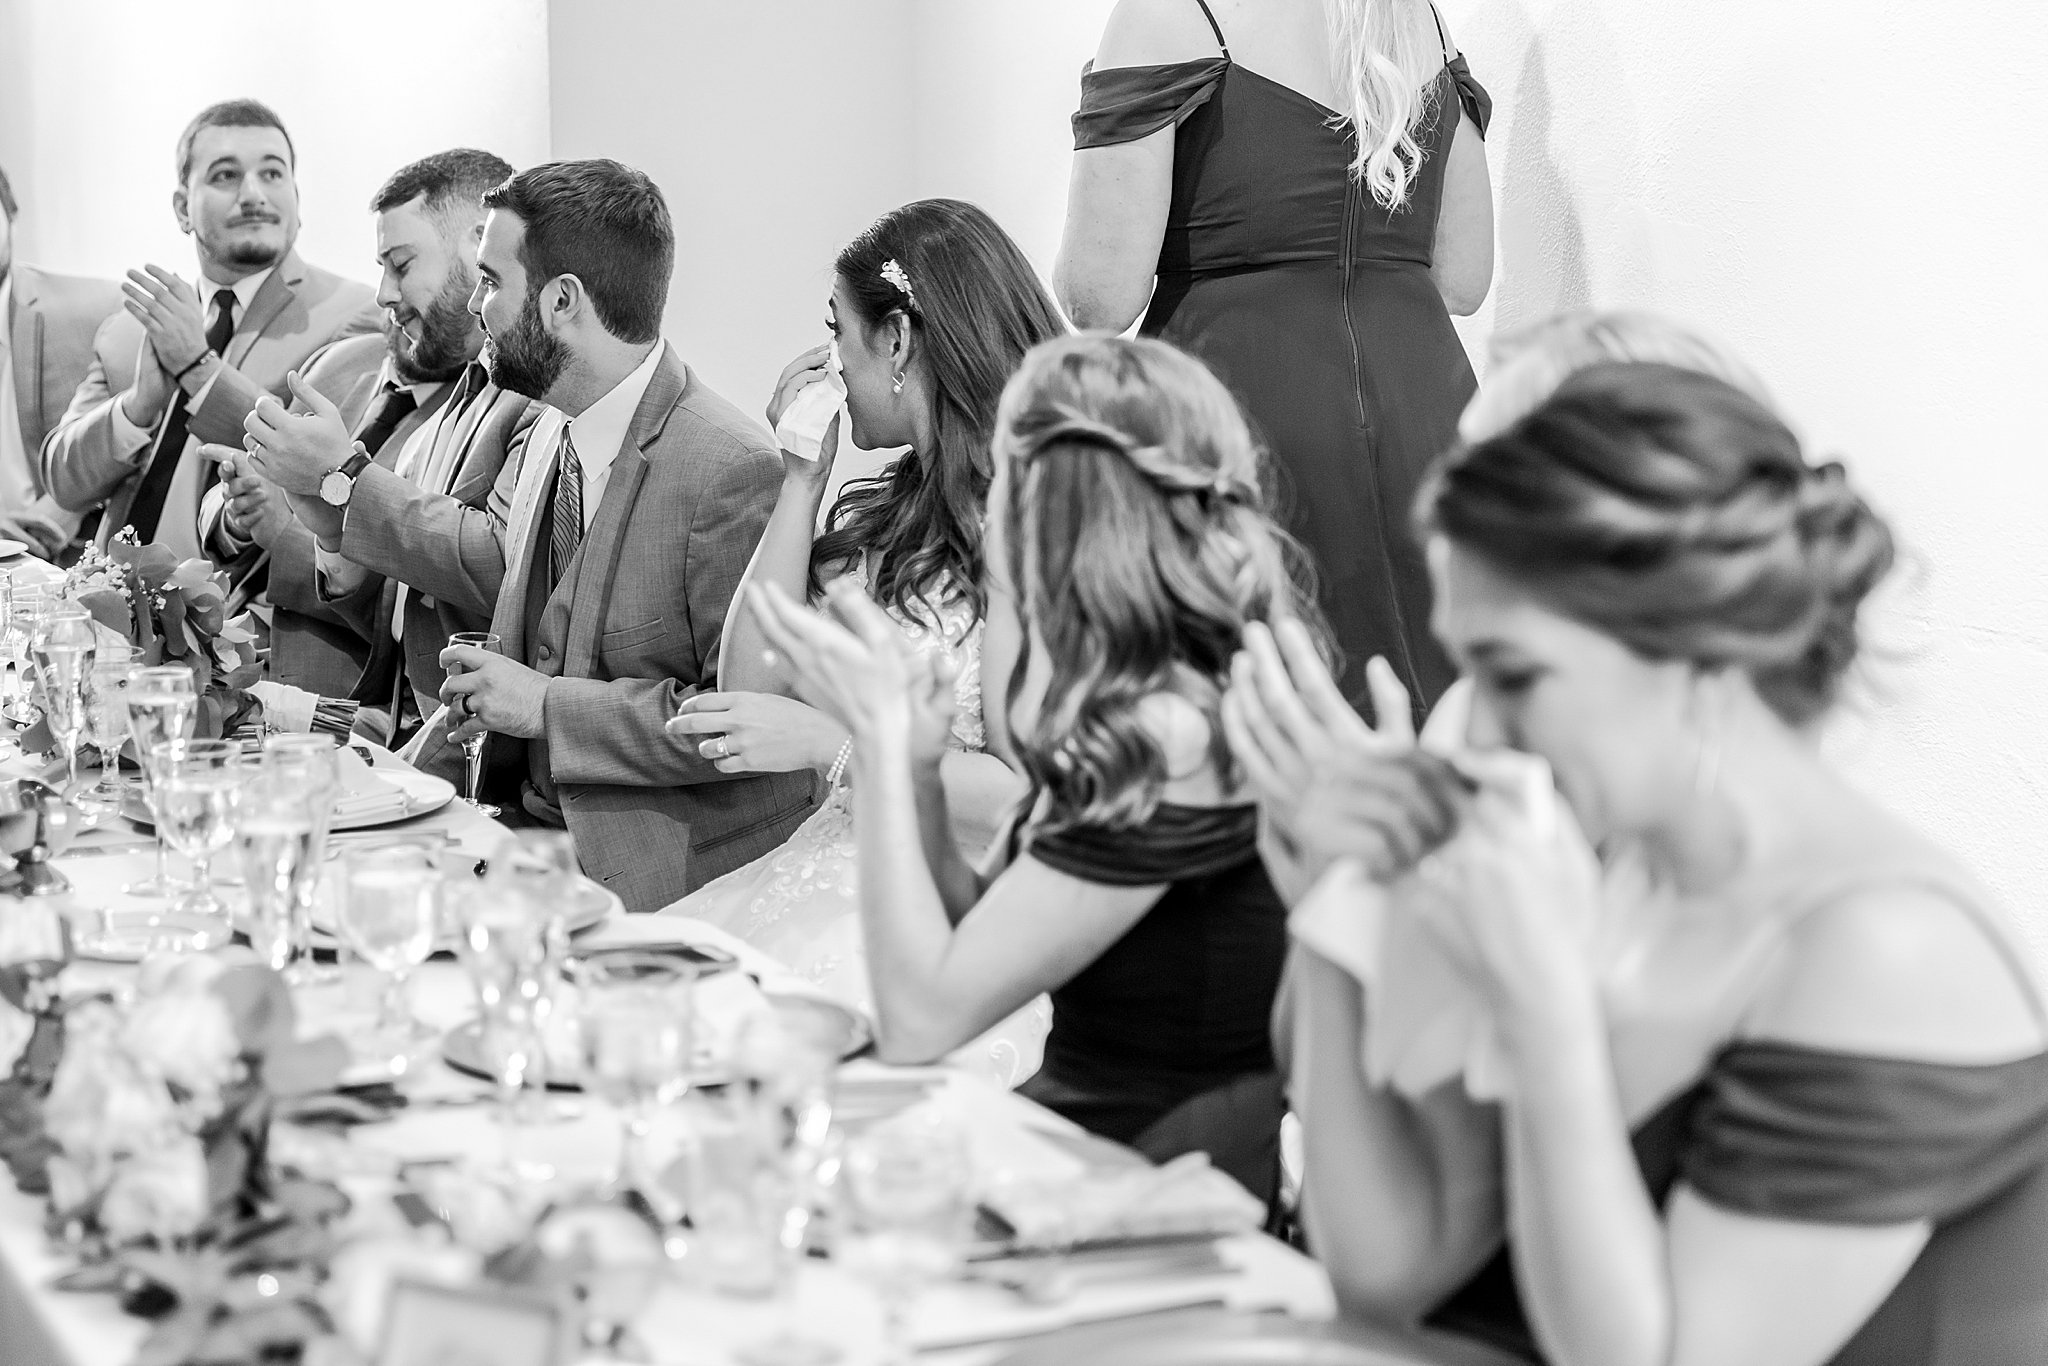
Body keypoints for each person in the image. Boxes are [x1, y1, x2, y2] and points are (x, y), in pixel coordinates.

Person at [1233, 364, 2048, 1363]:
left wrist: (1545, 1010)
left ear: (1696, 651)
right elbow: (1387, 1263)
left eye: (1515, 674)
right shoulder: (1608, 877)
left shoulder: (1882, 950)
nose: (1476, 726)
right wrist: (1337, 897)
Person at [747, 334, 1320, 1201]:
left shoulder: (1168, 743)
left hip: (1136, 1200)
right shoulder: (1150, 698)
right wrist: (917, 772)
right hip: (1080, 1153)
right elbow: (984, 930)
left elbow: (921, 1020)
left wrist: (875, 739)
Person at [661, 200, 1062, 1048]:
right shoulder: (897, 510)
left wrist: (833, 749)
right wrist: (800, 481)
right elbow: (746, 686)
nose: (828, 363)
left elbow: (1027, 804)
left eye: (837, 331)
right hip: (822, 876)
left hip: (952, 908)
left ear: (899, 341)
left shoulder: (1028, 522)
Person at [1057, 0, 1493, 714]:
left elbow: (1097, 298)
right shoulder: (1420, 22)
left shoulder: (1173, 14)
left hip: (1239, 429)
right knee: (1423, 733)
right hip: (1427, 421)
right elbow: (1464, 279)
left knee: (1244, 739)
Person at [409, 159, 810, 911]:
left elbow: (747, 727)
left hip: (665, 883)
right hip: (514, 848)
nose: (475, 303)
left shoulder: (730, 470)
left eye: (492, 281)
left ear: (562, 301)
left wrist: (544, 707)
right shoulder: (547, 430)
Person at [228, 149, 531, 724]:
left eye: (402, 264)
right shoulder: (349, 365)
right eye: (381, 267)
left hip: (403, 711)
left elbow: (494, 580)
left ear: (477, 247)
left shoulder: (526, 403)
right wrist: (248, 514)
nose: (384, 295)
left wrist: (327, 495)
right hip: (267, 652)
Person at [40, 100, 380, 566]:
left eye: (273, 174)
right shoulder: (132, 326)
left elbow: (322, 469)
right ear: (183, 208)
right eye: (225, 176)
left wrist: (196, 368)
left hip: (249, 618)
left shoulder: (353, 315)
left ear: (297, 201)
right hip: (108, 603)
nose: (254, 194)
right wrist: (138, 406)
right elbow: (63, 481)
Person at [0, 162, 123, 559]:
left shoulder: (98, 312)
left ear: (10, 211)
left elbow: (128, 437)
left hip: (63, 571)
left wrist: (48, 517)